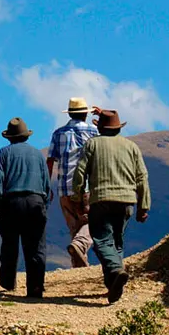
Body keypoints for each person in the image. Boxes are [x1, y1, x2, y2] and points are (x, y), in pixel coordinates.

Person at [71, 109, 150, 304]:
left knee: (101, 241)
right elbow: (142, 177)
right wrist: (143, 205)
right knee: (116, 242)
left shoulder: (92, 144)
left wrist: (78, 196)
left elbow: (80, 172)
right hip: (126, 201)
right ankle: (113, 285)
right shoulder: (131, 147)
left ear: (99, 127)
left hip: (101, 200)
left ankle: (115, 272)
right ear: (117, 127)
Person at [0, 117, 51, 299]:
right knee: (36, 246)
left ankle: (8, 282)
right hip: (35, 201)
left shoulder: (4, 153)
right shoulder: (38, 155)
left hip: (11, 202)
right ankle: (35, 288)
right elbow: (46, 183)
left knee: (10, 243)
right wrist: (44, 205)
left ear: (9, 137)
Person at [46, 97, 99, 268]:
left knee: (74, 229)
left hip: (64, 188)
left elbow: (50, 161)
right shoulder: (93, 131)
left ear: (69, 113)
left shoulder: (58, 133)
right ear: (86, 114)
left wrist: (47, 186)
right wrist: (103, 116)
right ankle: (79, 247)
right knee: (93, 223)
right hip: (87, 187)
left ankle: (79, 269)